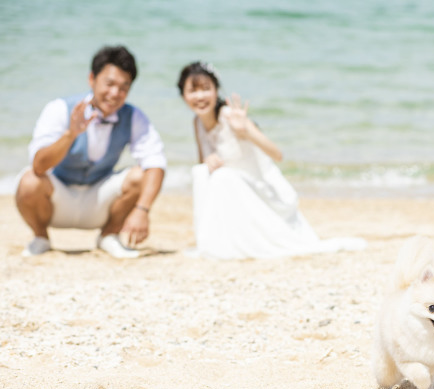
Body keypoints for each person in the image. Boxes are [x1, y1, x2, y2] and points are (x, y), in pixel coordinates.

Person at [177, 61, 365, 259]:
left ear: (216, 91)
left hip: (260, 190)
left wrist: (246, 131)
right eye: (193, 91)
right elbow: (204, 166)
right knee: (202, 173)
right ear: (183, 95)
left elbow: (277, 154)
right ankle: (215, 242)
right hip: (231, 192)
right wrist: (209, 160)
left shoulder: (232, 117)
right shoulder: (197, 123)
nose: (200, 96)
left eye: (206, 89)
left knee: (224, 177)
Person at [16, 45, 167, 258]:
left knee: (140, 175)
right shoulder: (59, 108)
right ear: (92, 79)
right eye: (110, 83)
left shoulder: (133, 116)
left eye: (124, 87)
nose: (115, 93)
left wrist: (142, 210)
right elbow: (39, 165)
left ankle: (109, 236)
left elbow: (156, 162)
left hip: (99, 201)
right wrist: (70, 135)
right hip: (58, 200)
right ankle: (40, 237)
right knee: (29, 181)